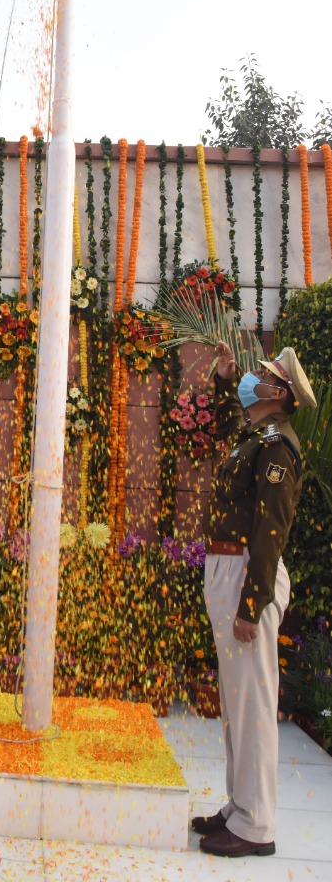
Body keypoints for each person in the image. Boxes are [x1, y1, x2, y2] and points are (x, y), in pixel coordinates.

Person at [193, 343, 316, 859]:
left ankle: (256, 825)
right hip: (232, 567)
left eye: (261, 376)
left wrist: (253, 604)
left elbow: (271, 532)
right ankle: (239, 806)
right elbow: (238, 417)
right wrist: (227, 377)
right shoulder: (259, 437)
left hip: (249, 573)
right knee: (236, 702)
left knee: (254, 705)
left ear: (279, 394)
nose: (252, 379)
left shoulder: (278, 450)